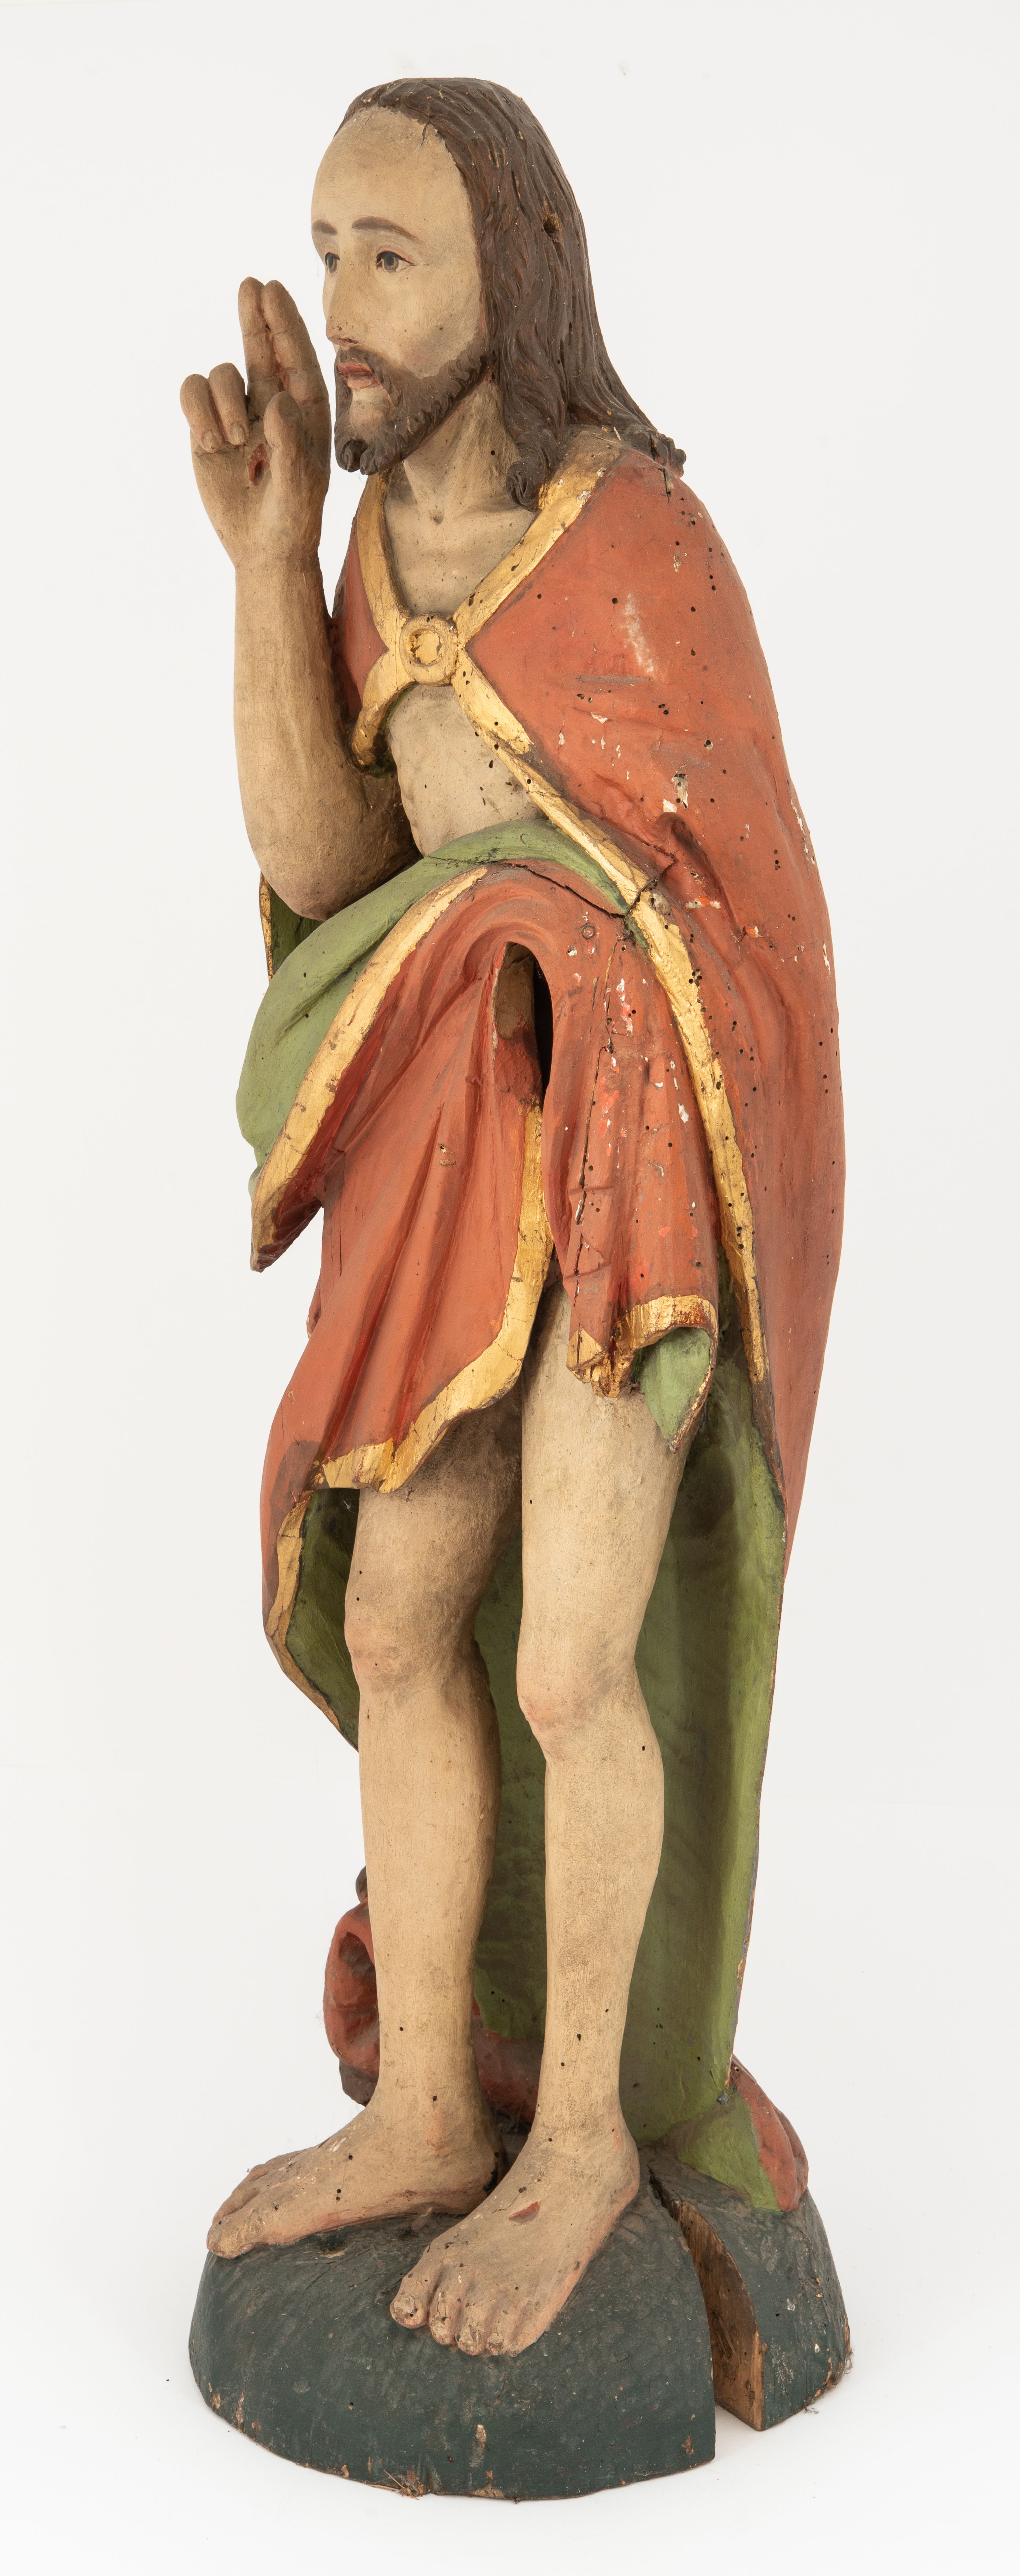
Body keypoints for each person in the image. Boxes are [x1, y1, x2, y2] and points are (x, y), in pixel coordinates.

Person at [181, 78, 843, 2360]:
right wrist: (271, 562)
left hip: (625, 1179)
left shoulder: (641, 542)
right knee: (399, 1630)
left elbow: (746, 924)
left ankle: (579, 2143)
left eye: (389, 256)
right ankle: (423, 2117)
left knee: (568, 1663)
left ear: (512, 280)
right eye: (325, 250)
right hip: (451, 1170)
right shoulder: (378, 551)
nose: (342, 305)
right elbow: (331, 873)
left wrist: (560, 943)